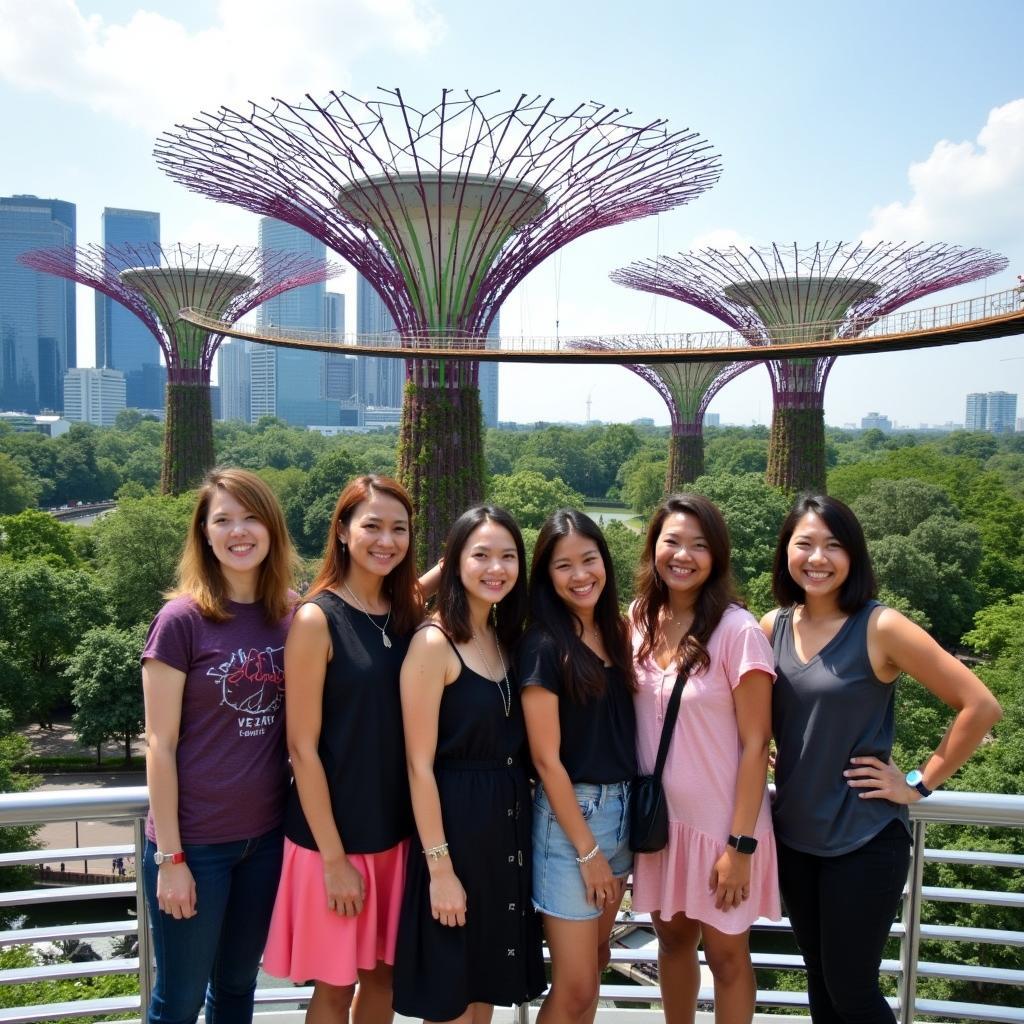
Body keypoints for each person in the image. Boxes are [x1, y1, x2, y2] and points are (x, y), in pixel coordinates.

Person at [762, 494, 1003, 1024]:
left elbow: (981, 706)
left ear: (854, 556)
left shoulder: (880, 626)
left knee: (852, 989)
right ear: (786, 554)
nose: (817, 558)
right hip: (796, 838)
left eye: (833, 545)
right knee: (821, 983)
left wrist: (917, 781)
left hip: (864, 839)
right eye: (804, 544)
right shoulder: (773, 626)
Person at [262, 475, 424, 1024]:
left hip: (395, 835)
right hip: (332, 840)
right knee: (334, 985)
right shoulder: (316, 619)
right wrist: (334, 860)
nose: (386, 540)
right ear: (343, 530)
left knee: (384, 976)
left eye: (399, 529)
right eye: (372, 526)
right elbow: (301, 748)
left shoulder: (407, 615)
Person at [142, 467, 298, 1024]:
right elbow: (159, 745)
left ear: (272, 529)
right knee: (178, 1000)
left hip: (266, 840)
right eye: (223, 519)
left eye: (251, 517)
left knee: (236, 989)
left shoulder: (290, 615)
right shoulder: (181, 620)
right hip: (197, 847)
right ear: (204, 534)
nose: (239, 531)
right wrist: (171, 858)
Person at [393, 505, 545, 1024]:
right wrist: (440, 870)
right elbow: (418, 766)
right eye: (480, 555)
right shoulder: (434, 643)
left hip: (503, 835)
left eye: (508, 556)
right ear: (455, 562)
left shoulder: (503, 638)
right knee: (452, 1000)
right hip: (454, 835)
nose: (495, 568)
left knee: (483, 996)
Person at [630, 494, 778, 1024]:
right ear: (654, 549)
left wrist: (740, 847)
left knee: (727, 956)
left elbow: (757, 742)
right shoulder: (640, 621)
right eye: (671, 541)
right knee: (672, 943)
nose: (683, 555)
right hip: (659, 826)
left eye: (698, 544)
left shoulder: (738, 631)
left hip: (721, 829)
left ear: (717, 556)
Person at [518, 509, 636, 1024]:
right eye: (564, 565)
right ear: (546, 575)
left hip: (623, 814)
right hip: (571, 824)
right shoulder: (543, 645)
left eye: (589, 559)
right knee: (575, 985)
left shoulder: (619, 633)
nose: (580, 574)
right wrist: (587, 852)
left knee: (597, 963)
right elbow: (546, 760)